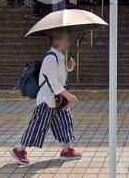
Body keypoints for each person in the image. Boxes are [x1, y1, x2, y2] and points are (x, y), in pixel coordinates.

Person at [11, 27, 81, 165]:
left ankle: (67, 149)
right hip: (48, 99)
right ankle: (19, 149)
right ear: (57, 41)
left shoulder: (60, 56)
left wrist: (70, 67)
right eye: (66, 39)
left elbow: (59, 76)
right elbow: (53, 82)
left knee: (65, 122)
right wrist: (68, 95)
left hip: (58, 100)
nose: (68, 41)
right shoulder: (50, 57)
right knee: (38, 125)